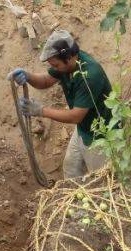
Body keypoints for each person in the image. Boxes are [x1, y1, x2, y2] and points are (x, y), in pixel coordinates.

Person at [10, 30, 112, 179]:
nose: (55, 68)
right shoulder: (67, 65)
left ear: (68, 57)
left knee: (101, 180)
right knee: (71, 170)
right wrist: (27, 76)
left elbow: (75, 116)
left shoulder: (90, 75)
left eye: (56, 65)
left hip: (100, 136)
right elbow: (45, 80)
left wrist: (40, 110)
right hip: (84, 129)